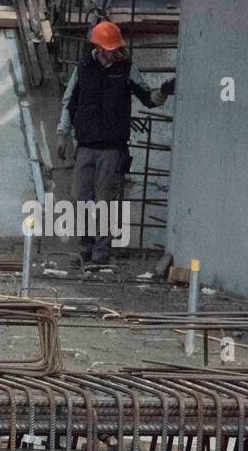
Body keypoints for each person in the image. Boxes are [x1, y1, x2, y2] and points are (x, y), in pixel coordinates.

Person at [56, 20, 174, 269]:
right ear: (98, 47)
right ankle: (86, 250)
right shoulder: (84, 68)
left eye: (116, 48)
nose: (115, 52)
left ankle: (100, 256)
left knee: (105, 204)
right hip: (86, 146)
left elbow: (149, 99)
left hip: (112, 149)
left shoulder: (127, 70)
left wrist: (163, 91)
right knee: (81, 199)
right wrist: (62, 133)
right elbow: (70, 103)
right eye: (110, 48)